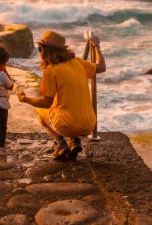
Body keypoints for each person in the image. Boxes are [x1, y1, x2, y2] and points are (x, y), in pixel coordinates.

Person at [18, 30, 106, 161]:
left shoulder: (51, 71)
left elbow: (45, 103)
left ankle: (60, 143)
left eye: (41, 49)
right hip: (89, 123)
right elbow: (102, 67)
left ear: (48, 50)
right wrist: (96, 46)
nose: (40, 53)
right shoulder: (79, 63)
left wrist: (26, 99)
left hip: (67, 125)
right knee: (61, 106)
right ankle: (74, 142)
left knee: (39, 111)